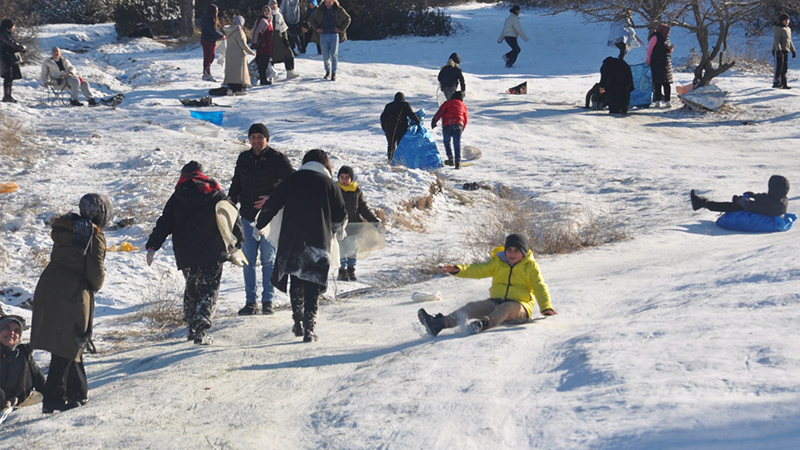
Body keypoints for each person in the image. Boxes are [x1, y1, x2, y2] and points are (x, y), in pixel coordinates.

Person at [30, 193, 113, 413]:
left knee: (67, 341)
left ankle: (77, 393)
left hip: (49, 285)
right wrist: (96, 284)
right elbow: (95, 275)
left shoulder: (65, 228)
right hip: (73, 291)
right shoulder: (94, 235)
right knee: (68, 344)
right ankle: (53, 399)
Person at [146, 162, 243, 345]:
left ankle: (191, 326)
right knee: (209, 289)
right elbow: (232, 215)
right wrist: (237, 241)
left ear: (184, 176)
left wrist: (153, 246)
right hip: (212, 251)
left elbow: (164, 222)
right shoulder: (215, 193)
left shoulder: (177, 197)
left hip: (186, 253)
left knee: (192, 286)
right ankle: (201, 328)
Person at [255, 149, 347, 343]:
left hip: (292, 239)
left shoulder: (291, 179)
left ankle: (297, 320)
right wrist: (336, 231)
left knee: (296, 279)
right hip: (318, 241)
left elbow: (272, 204)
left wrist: (260, 224)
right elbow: (340, 215)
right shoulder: (329, 184)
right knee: (312, 282)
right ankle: (309, 327)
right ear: (325, 164)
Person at [418, 233, 557, 337]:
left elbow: (540, 286)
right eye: (509, 250)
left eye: (516, 250)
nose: (512, 253)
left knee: (506, 308)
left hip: (520, 306)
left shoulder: (531, 267)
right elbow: (479, 270)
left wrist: (546, 307)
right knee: (472, 307)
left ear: (524, 252)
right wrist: (458, 269)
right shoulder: (498, 262)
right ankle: (439, 324)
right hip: (495, 302)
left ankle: (483, 323)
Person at [229, 123, 294, 316]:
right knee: (248, 261)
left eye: (260, 137)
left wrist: (271, 199)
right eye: (253, 137)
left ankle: (268, 301)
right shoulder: (244, 158)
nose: (256, 141)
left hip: (269, 219)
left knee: (268, 261)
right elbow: (236, 183)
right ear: (249, 139)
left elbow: (292, 183)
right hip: (247, 218)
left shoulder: (278, 159)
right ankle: (251, 302)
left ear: (267, 139)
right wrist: (230, 205)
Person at [335, 165, 380, 281]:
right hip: (339, 226)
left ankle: (351, 268)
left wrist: (373, 220)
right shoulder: (334, 190)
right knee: (341, 248)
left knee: (352, 248)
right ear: (338, 177)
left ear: (351, 178)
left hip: (354, 226)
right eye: (342, 177)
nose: (344, 180)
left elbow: (363, 208)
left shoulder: (356, 192)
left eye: (347, 177)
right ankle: (342, 270)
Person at [0, 315, 45, 409]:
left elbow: (41, 383)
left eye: (16, 331)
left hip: (18, 401)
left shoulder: (24, 356)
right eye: (7, 328)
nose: (12, 333)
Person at [690, 175, 790, 217]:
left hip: (757, 215)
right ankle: (702, 203)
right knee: (736, 205)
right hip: (763, 211)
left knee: (732, 207)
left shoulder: (768, 203)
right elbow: (764, 200)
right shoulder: (782, 200)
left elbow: (748, 205)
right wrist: (755, 196)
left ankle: (701, 204)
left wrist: (739, 200)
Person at [309, 0, 351, 81]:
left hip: (334, 34)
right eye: (326, 2)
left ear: (333, 2)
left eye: (330, 2)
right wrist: (317, 28)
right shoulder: (319, 9)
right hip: (323, 35)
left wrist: (341, 28)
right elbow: (312, 19)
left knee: (334, 55)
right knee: (325, 55)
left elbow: (348, 19)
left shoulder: (338, 9)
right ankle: (327, 71)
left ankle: (334, 73)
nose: (328, 4)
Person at [431, 90, 468, 169]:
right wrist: (462, 128)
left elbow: (440, 112)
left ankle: (451, 159)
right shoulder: (463, 106)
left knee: (447, 142)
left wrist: (434, 121)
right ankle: (457, 161)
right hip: (458, 124)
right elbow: (465, 118)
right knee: (456, 142)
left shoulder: (447, 103)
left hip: (447, 124)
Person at [380, 92, 421, 162]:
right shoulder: (405, 104)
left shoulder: (388, 106)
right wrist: (418, 121)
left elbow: (382, 117)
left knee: (391, 144)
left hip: (389, 128)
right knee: (400, 145)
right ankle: (399, 160)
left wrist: (385, 127)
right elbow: (411, 114)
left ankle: (390, 159)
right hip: (401, 128)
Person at [223, 15, 255, 93]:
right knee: (239, 73)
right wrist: (250, 52)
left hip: (230, 53)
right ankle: (238, 89)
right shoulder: (238, 30)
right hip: (239, 55)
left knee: (231, 71)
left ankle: (231, 88)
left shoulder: (228, 30)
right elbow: (242, 44)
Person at [646, 23, 675, 108]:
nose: (669, 32)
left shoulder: (666, 39)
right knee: (657, 83)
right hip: (656, 62)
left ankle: (667, 101)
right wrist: (648, 60)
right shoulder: (655, 37)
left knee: (667, 83)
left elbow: (668, 51)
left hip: (666, 63)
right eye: (668, 30)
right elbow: (649, 50)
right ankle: (657, 101)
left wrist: (670, 49)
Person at [0, 18, 26, 103]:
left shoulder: (6, 33)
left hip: (8, 57)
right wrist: (21, 48)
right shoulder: (3, 34)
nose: (14, 27)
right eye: (13, 25)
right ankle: (6, 97)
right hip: (5, 58)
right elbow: (11, 43)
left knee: (10, 77)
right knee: (8, 77)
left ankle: (8, 96)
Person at [271, 0, 299, 80]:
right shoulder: (268, 15)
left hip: (280, 38)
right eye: (272, 4)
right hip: (271, 39)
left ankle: (290, 71)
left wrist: (286, 39)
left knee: (289, 54)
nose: (274, 6)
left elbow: (283, 29)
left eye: (275, 4)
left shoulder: (279, 15)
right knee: (271, 58)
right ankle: (270, 73)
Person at [200, 4, 225, 82]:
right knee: (208, 56)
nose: (218, 12)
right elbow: (211, 30)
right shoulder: (209, 18)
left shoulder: (209, 18)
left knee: (211, 56)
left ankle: (207, 72)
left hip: (210, 40)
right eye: (217, 11)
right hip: (207, 40)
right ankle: (206, 73)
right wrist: (221, 36)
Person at [252, 5, 275, 86]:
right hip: (263, 47)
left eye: (268, 11)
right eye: (265, 11)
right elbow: (258, 32)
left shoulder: (269, 20)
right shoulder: (262, 21)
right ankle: (263, 79)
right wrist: (262, 42)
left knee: (265, 63)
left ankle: (264, 78)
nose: (267, 12)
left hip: (268, 45)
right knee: (263, 63)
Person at [772, 13, 796, 89]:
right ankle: (776, 82)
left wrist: (793, 50)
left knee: (784, 67)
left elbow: (789, 41)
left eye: (788, 20)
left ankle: (784, 83)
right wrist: (778, 50)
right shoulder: (778, 28)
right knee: (779, 66)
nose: (787, 22)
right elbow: (776, 40)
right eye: (785, 20)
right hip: (778, 50)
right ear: (781, 21)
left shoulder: (788, 29)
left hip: (785, 50)